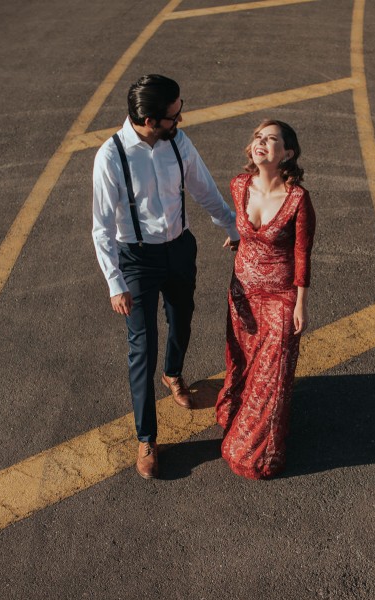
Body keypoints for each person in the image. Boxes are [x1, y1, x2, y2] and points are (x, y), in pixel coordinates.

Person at [92, 74, 241, 480]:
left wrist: (232, 228)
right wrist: (114, 282)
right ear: (148, 118)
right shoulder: (111, 157)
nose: (180, 119)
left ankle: (174, 375)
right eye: (174, 115)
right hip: (136, 260)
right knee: (142, 345)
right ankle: (146, 437)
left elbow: (204, 190)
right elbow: (101, 227)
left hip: (179, 249)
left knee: (182, 319)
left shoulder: (179, 143)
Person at [216, 120, 316, 479]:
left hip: (280, 297)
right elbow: (245, 229)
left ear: (287, 153)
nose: (261, 143)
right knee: (243, 360)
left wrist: (301, 303)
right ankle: (236, 415)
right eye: (258, 137)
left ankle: (259, 453)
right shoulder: (239, 185)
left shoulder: (298, 199)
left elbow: (302, 252)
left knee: (272, 375)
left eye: (271, 139)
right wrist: (242, 240)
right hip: (242, 291)